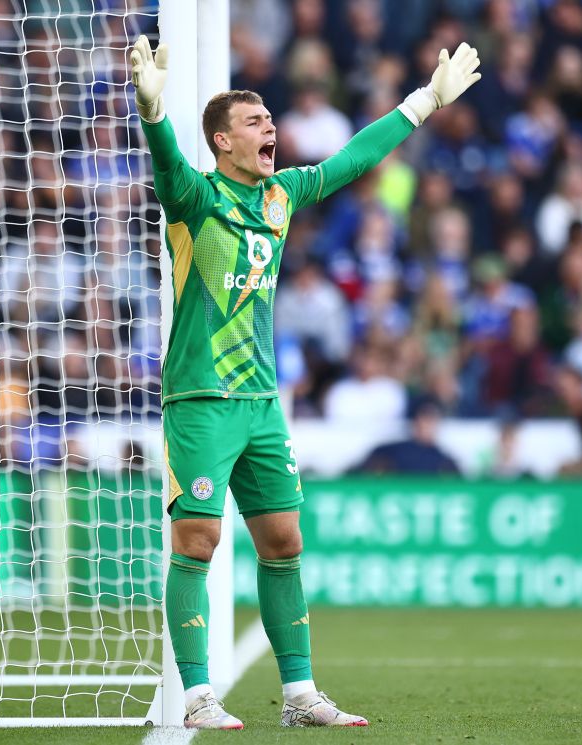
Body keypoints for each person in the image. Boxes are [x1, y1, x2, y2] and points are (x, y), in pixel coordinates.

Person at [129, 35, 481, 729]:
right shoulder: (195, 199)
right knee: (196, 539)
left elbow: (350, 160)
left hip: (261, 403)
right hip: (199, 399)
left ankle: (299, 695)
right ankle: (198, 696)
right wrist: (152, 111)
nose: (271, 130)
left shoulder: (281, 197)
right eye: (255, 124)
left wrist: (423, 101)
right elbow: (168, 163)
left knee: (283, 541)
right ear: (223, 143)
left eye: (270, 121)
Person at [352, 396, 461, 475]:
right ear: (415, 421)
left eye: (432, 419)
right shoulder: (392, 452)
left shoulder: (443, 460)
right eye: (424, 418)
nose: (427, 425)